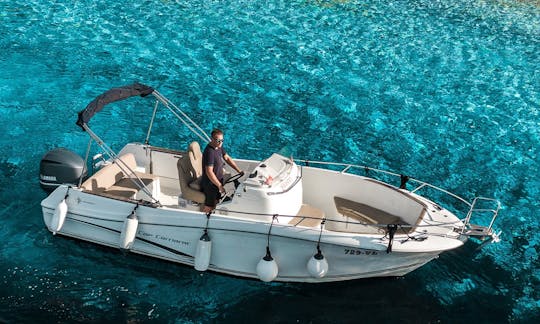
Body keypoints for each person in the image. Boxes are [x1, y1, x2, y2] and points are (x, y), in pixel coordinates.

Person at [200, 129, 243, 213]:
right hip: (210, 184)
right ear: (211, 139)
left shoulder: (219, 147)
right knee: (209, 206)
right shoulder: (209, 152)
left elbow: (227, 158)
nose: (220, 142)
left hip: (218, 181)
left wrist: (238, 170)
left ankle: (213, 216)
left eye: (222, 140)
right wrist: (219, 185)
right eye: (218, 140)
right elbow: (209, 172)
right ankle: (204, 220)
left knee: (217, 201)